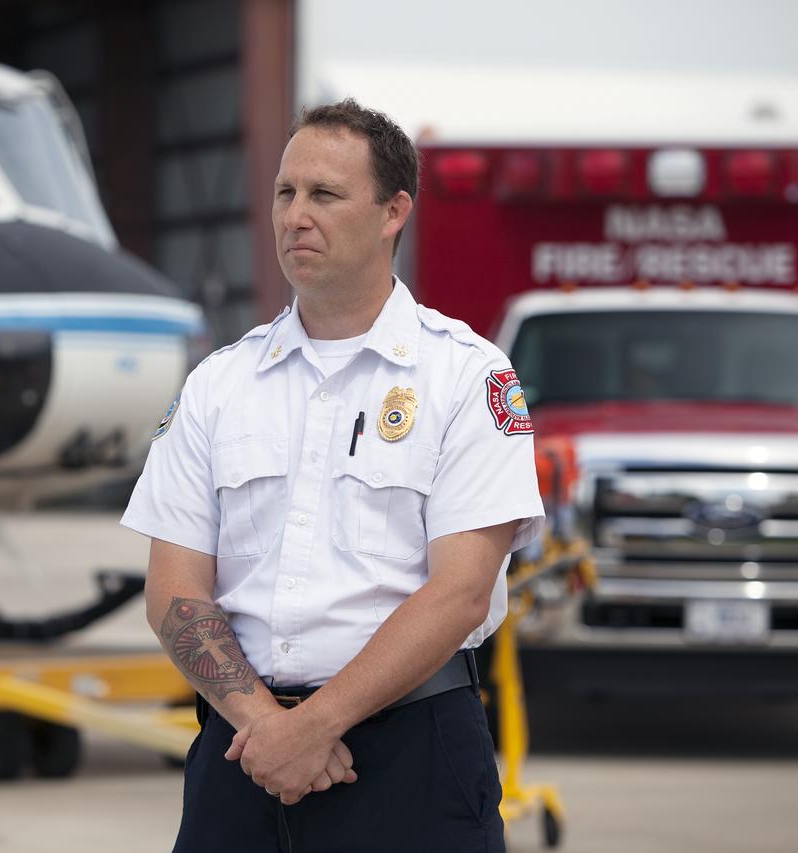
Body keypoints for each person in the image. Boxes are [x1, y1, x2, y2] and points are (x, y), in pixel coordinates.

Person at [121, 98, 544, 853]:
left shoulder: (467, 377)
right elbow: (174, 590)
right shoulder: (219, 384)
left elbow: (460, 592)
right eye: (285, 193)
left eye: (324, 194)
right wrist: (269, 728)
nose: (295, 217)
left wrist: (314, 727)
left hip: (412, 762)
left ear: (393, 212)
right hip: (243, 757)